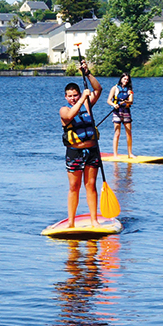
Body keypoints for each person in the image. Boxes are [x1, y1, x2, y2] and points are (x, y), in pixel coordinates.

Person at [60, 59, 102, 229]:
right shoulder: (63, 110)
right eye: (70, 96)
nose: (72, 98)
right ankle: (71, 222)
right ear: (65, 97)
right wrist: (83, 98)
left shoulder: (87, 104)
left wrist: (87, 73)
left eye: (75, 95)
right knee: (74, 187)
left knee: (90, 185)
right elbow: (70, 115)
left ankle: (94, 220)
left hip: (92, 151)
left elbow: (98, 89)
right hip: (75, 153)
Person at [106, 72, 134, 158]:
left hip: (126, 111)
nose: (125, 81)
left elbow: (131, 101)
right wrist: (114, 105)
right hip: (117, 112)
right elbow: (109, 100)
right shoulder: (114, 88)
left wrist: (126, 101)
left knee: (128, 133)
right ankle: (115, 154)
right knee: (117, 133)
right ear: (121, 79)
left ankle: (130, 153)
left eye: (127, 79)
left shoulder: (130, 90)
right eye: (124, 79)